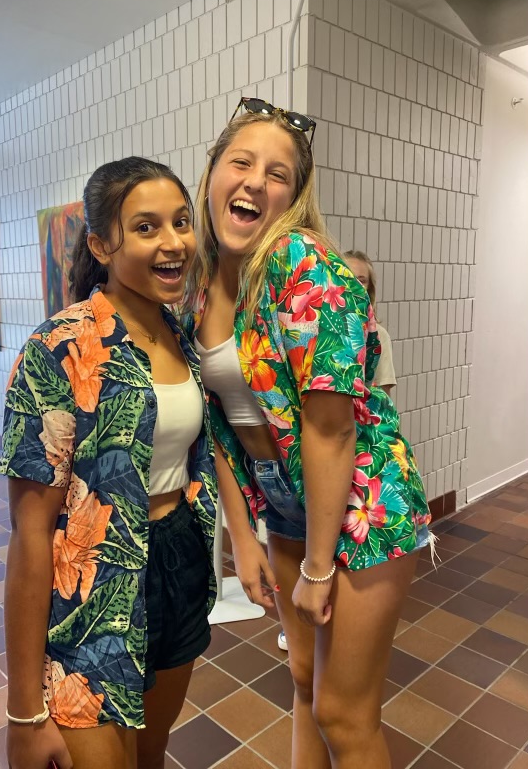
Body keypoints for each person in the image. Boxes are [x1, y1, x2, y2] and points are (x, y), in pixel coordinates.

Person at [182, 97, 432, 769]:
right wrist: (244, 537)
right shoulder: (202, 290)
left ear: (292, 198)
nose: (255, 180)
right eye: (241, 161)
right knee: (300, 682)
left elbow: (330, 435)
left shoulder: (302, 263)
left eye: (278, 174)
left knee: (344, 715)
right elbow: (219, 429)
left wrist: (317, 569)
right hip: (284, 502)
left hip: (360, 497)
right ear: (213, 174)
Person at [0, 157, 217, 769]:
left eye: (180, 222)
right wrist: (22, 713)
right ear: (101, 243)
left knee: (153, 752)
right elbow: (30, 532)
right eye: (146, 227)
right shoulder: (58, 349)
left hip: (177, 561)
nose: (174, 242)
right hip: (90, 586)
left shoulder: (181, 335)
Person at [276, 249, 399, 653]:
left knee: (339, 698)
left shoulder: (371, 332)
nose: (350, 284)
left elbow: (367, 409)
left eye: (361, 280)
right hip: (288, 487)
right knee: (305, 666)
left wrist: (316, 571)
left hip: (357, 478)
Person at [344, 250, 397, 396]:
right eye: (347, 277)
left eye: (361, 280)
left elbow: (384, 398)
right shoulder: (324, 332)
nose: (354, 285)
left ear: (369, 289)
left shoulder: (379, 336)